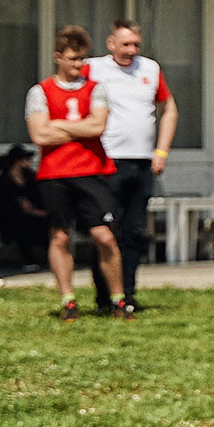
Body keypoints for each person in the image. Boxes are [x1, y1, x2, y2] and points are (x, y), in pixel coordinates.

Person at [25, 25, 128, 322]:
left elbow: (97, 127)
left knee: (105, 236)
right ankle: (68, 300)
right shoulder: (40, 92)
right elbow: (39, 135)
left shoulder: (96, 88)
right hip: (54, 174)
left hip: (91, 171)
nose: (78, 65)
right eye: (72, 59)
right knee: (60, 237)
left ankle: (118, 299)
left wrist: (59, 125)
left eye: (81, 59)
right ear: (58, 57)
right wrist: (79, 128)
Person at [84, 18, 176, 318]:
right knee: (107, 232)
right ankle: (105, 296)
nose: (131, 50)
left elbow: (169, 109)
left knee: (135, 232)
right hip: (106, 161)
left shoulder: (150, 69)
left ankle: (128, 294)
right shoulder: (93, 68)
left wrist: (161, 151)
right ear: (111, 43)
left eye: (136, 44)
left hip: (142, 162)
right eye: (125, 44)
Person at [0, 145, 50, 271]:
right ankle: (28, 259)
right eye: (26, 159)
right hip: (10, 219)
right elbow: (2, 204)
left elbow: (39, 196)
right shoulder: (3, 181)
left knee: (48, 222)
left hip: (34, 215)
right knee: (22, 223)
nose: (29, 162)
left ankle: (53, 257)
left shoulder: (31, 177)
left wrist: (37, 209)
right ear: (17, 161)